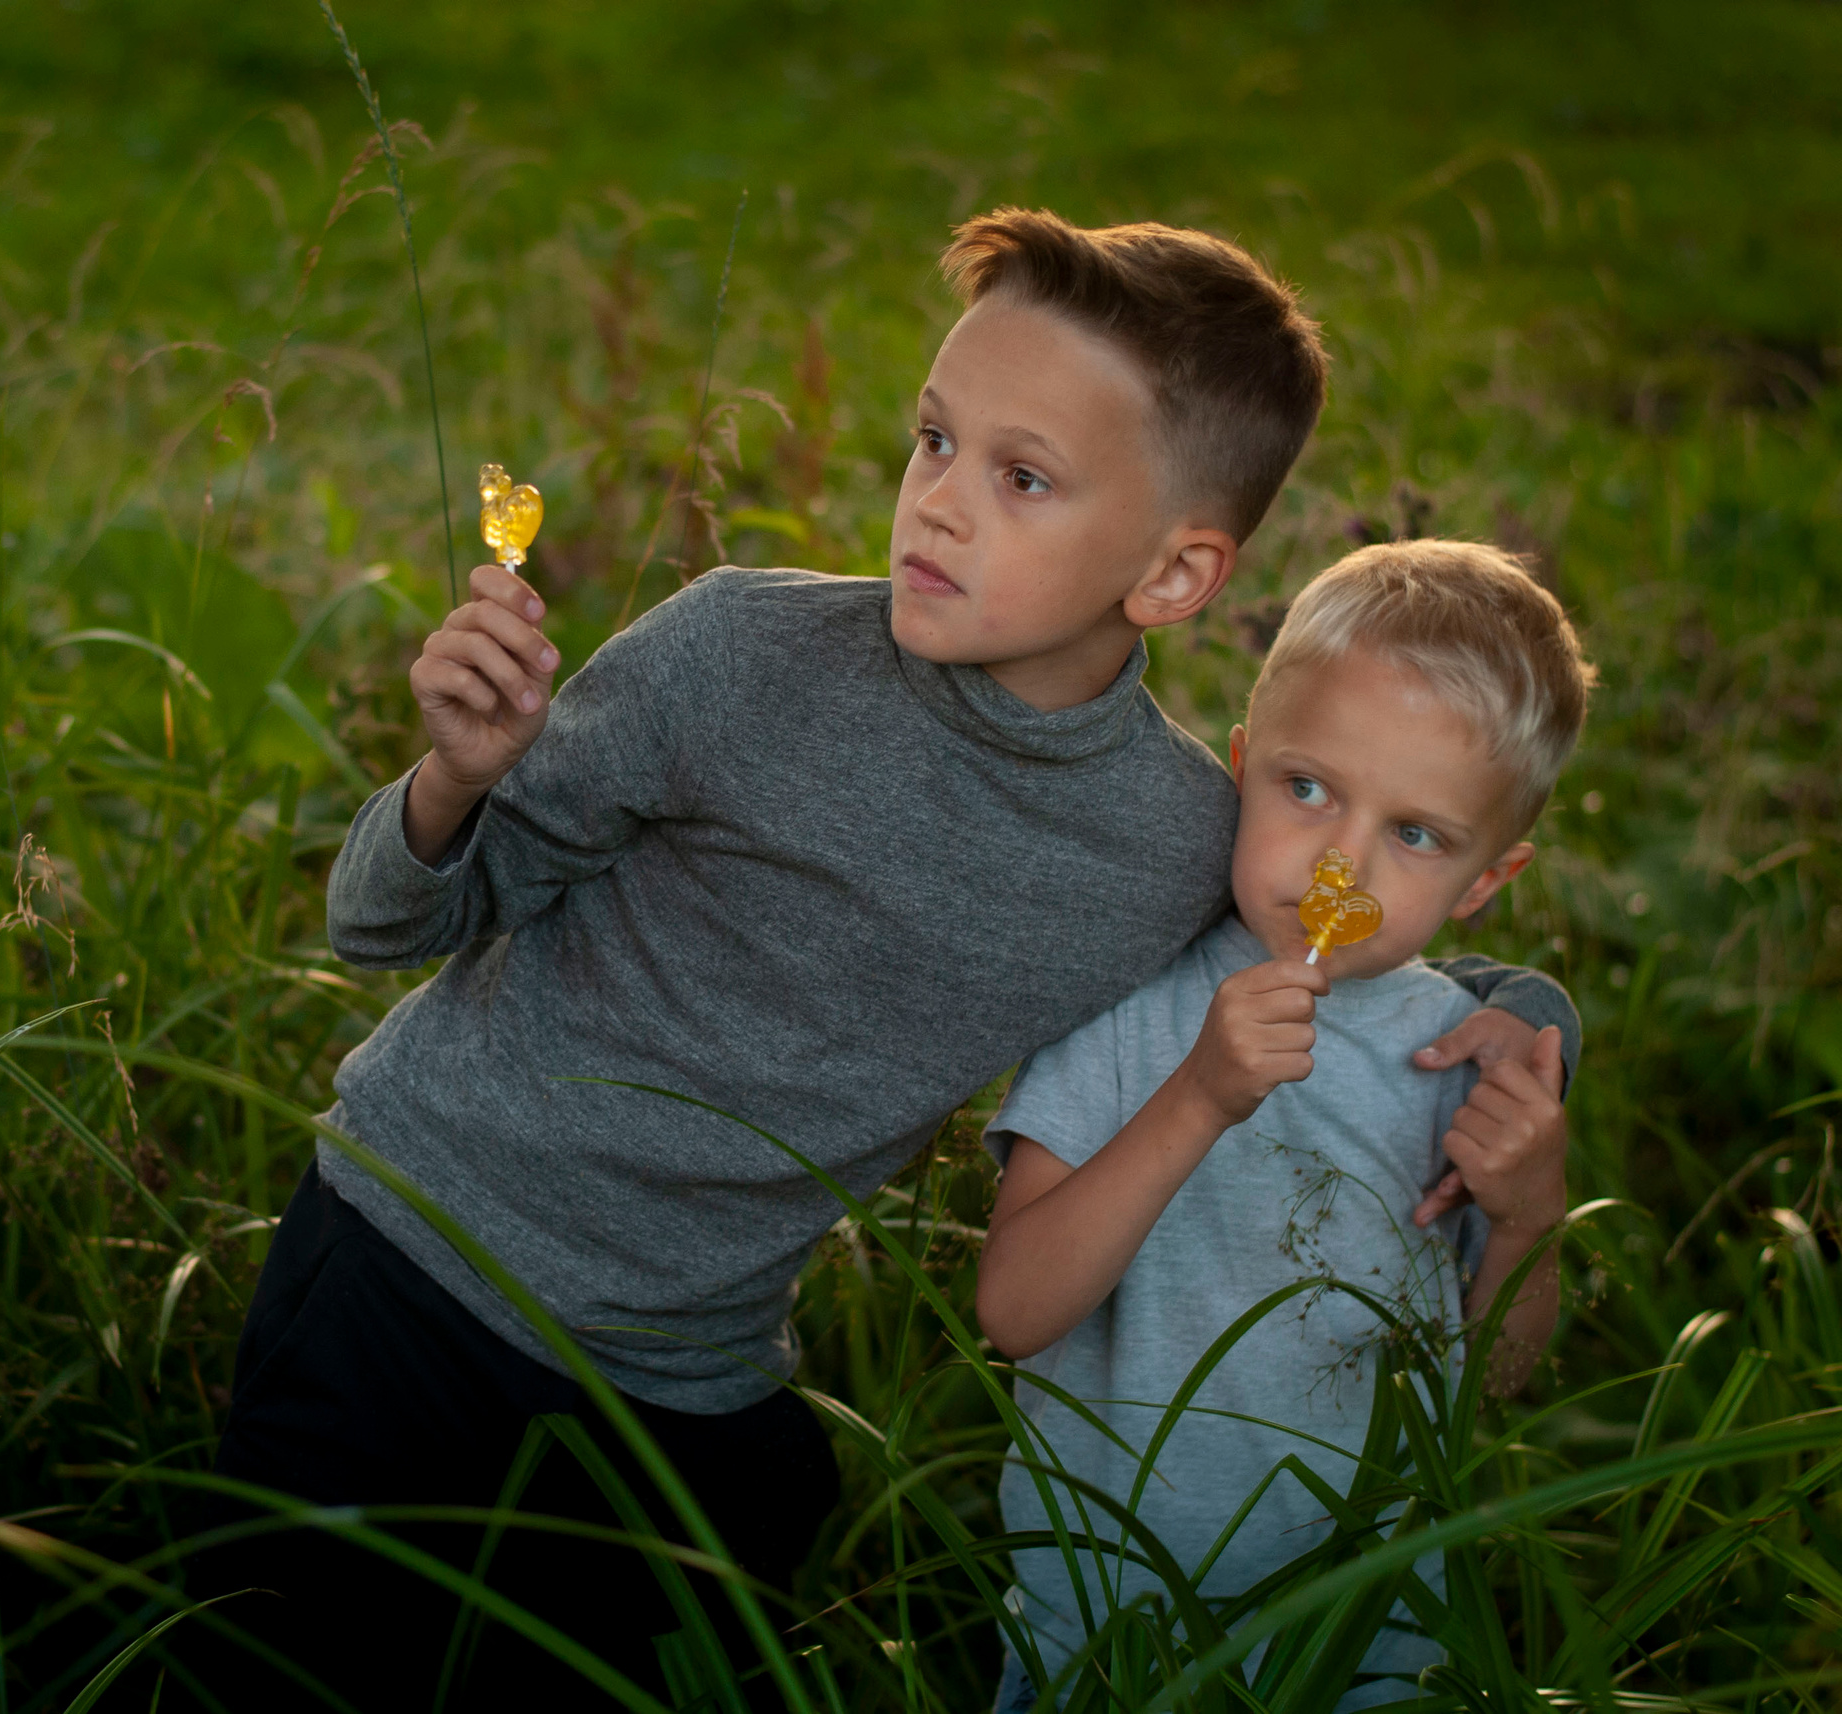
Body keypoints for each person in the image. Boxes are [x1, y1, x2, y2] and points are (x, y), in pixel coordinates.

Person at [184, 210, 1579, 1710]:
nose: (938, 506)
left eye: (1021, 476)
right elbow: (384, 923)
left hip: (684, 1370)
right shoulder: (733, 653)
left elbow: (1342, 907)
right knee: (281, 1673)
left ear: (1175, 574)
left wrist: (1517, 1022)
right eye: (933, 440)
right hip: (406, 1254)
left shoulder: (1169, 837)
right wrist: (454, 781)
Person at [973, 539, 1591, 1710]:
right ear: (1241, 767)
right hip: (1105, 1629)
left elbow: (1491, 1383)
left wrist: (1526, 1223)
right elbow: (1012, 1311)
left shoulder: (1463, 1064)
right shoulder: (1128, 1001)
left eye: (1415, 835)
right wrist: (1198, 1094)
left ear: (1483, 884)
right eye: (1306, 789)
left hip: (1364, 1634)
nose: (1336, 863)